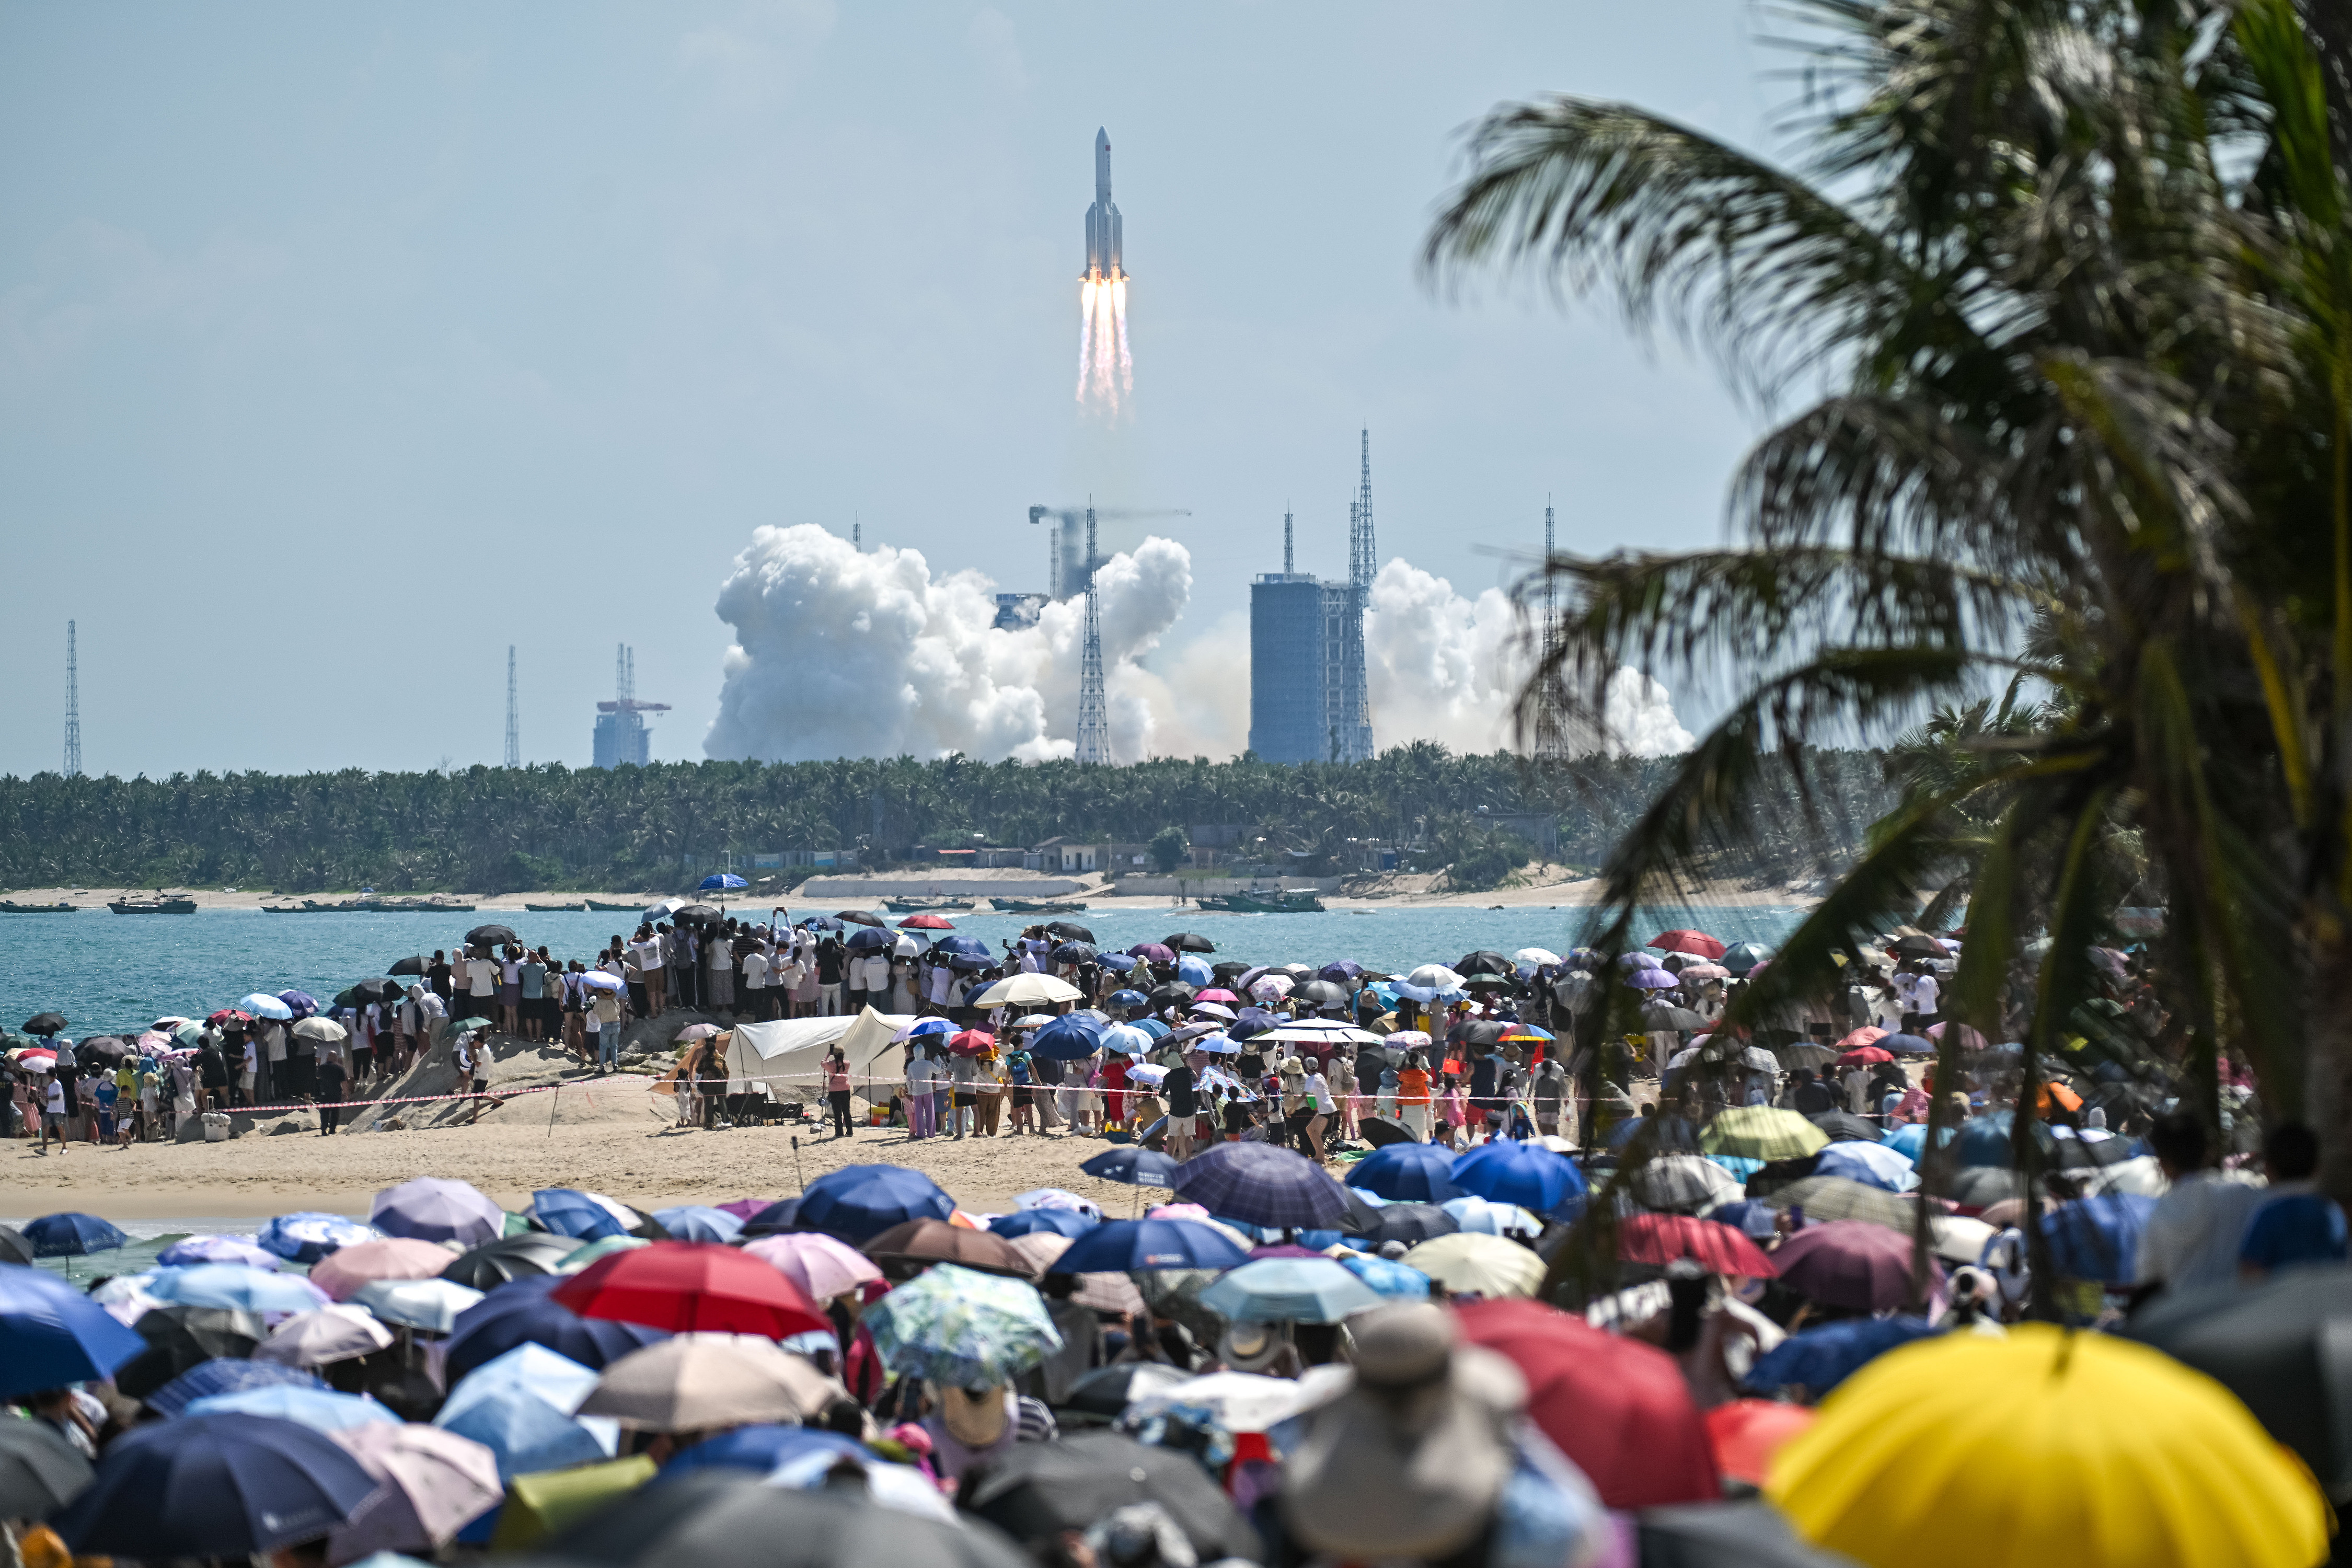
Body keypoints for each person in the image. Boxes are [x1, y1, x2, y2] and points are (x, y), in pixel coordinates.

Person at [2135, 1111, 2266, 1300]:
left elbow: (2148, 1278)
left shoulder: (2158, 1215)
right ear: (2208, 1152)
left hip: (2185, 1319)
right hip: (2239, 1313)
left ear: (2163, 1163)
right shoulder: (2242, 1195)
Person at [2241, 1123, 2345, 1279]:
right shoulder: (2331, 1210)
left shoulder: (2266, 1215)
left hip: (2278, 1302)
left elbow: (2250, 1270)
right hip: (2328, 1301)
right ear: (2317, 1168)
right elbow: (2342, 1263)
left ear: (2268, 1170)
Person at [1162, 1057, 1196, 1161]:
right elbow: (1196, 1078)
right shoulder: (1188, 1072)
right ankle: (1189, 1157)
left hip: (1175, 1110)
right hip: (1189, 1109)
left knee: (1172, 1135)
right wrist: (1187, 1064)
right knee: (1189, 1135)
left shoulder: (1168, 1076)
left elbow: (1163, 1093)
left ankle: (1170, 1158)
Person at [1300, 1057, 1334, 1162]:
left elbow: (1303, 1096)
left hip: (1326, 1109)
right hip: (1327, 1108)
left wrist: (1291, 1109)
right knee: (1311, 1130)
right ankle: (1319, 1156)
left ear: (1307, 1068)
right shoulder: (1320, 1076)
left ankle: (1321, 1157)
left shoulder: (1310, 1080)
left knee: (1314, 1132)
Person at [1395, 1053, 1433, 1143]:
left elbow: (1399, 1077)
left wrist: (1405, 1069)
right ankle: (1420, 1142)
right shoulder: (1423, 1074)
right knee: (1420, 1125)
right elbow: (1427, 1078)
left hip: (1407, 1103)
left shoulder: (1405, 1074)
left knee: (1407, 1123)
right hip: (1420, 1103)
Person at [314, 1043, 347, 1136]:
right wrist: (346, 1093)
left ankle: (324, 1129)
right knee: (335, 1112)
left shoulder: (322, 1067)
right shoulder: (340, 1068)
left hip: (325, 1092)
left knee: (324, 1111)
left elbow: (317, 1077)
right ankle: (332, 1130)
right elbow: (344, 1082)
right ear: (336, 1058)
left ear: (328, 1058)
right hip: (336, 1093)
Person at [825, 1048, 855, 1138]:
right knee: (847, 1111)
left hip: (834, 1091)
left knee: (837, 1113)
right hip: (845, 1089)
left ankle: (839, 1133)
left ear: (834, 1055)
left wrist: (828, 1055)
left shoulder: (830, 1065)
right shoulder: (847, 1064)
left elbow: (823, 1063)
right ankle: (850, 1132)